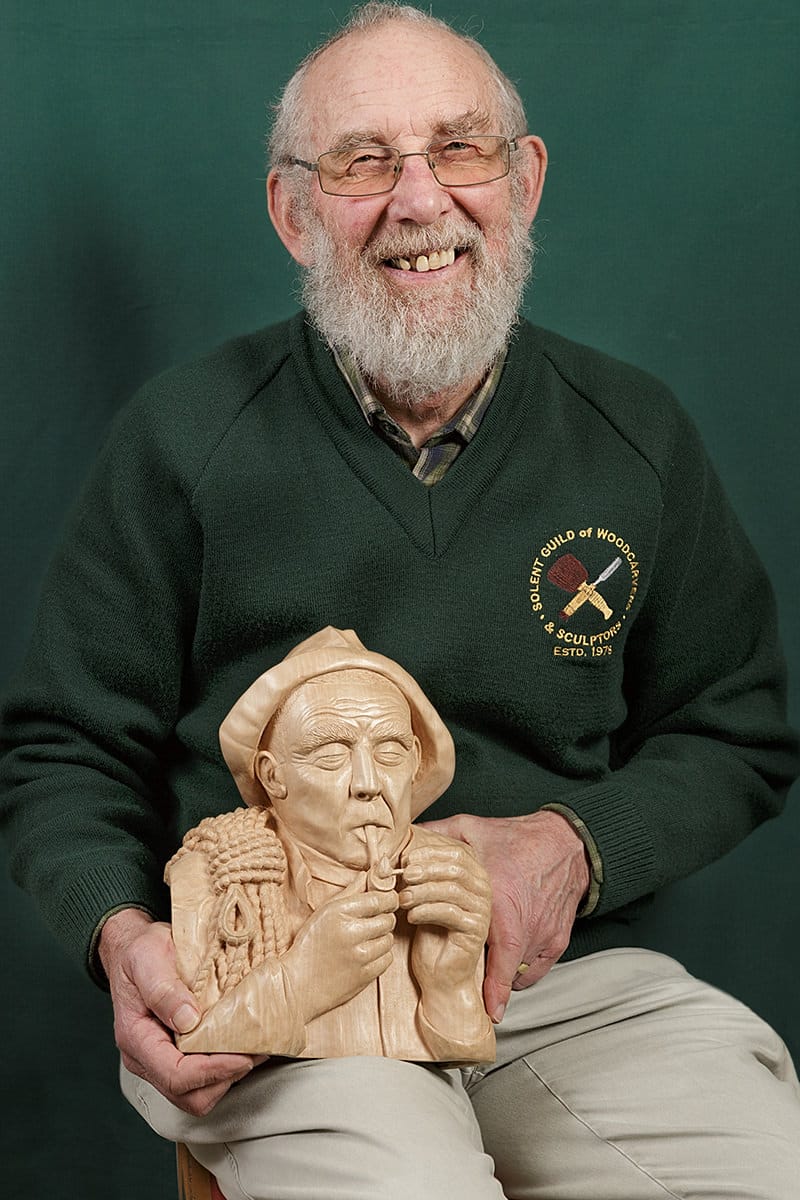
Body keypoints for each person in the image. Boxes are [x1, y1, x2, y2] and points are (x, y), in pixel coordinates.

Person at [1, 2, 798, 1197]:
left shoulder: (633, 438)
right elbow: (57, 747)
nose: (420, 201)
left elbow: (735, 729)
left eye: (459, 149)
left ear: (521, 181)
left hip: (557, 987)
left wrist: (572, 850)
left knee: (750, 1156)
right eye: (362, 161)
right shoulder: (186, 438)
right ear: (293, 212)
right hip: (273, 991)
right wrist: (121, 936)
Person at [164, 626, 494, 1062]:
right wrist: (301, 983)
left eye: (390, 752)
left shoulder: (452, 878)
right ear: (272, 775)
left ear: (416, 761)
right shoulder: (221, 876)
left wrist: (449, 987)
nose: (368, 783)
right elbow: (195, 1048)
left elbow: (469, 1059)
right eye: (331, 754)